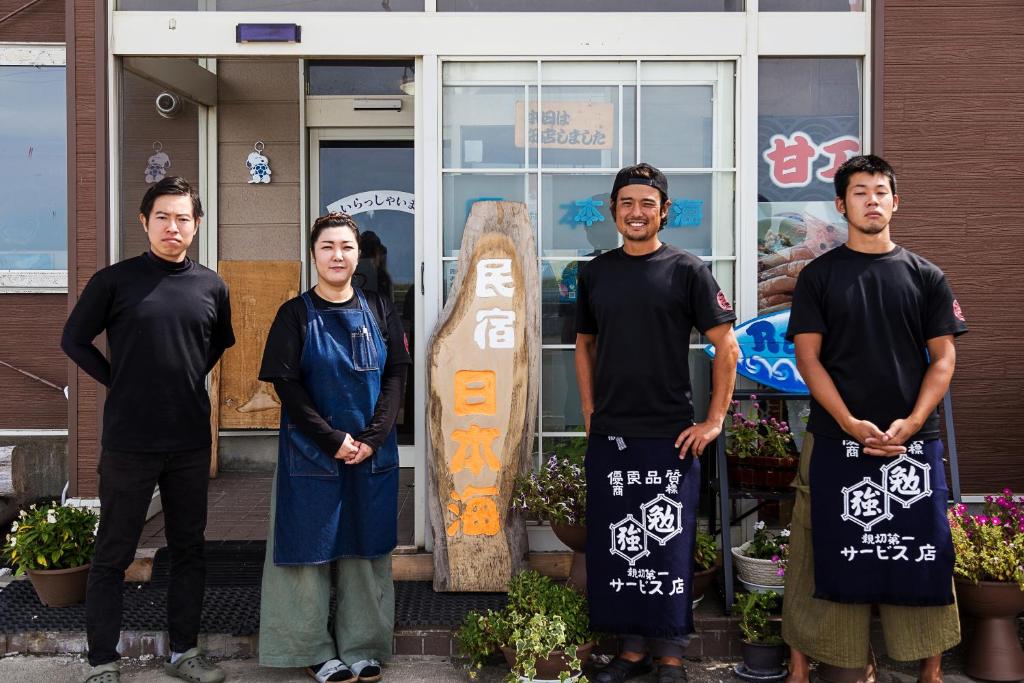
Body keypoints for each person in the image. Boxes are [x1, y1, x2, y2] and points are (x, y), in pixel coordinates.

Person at [783, 155, 967, 683]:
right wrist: (846, 420)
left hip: (912, 440)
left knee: (921, 548)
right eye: (859, 192)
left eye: (880, 191)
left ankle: (928, 669)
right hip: (836, 439)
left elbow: (944, 359)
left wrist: (911, 422)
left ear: (895, 202)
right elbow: (809, 359)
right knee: (818, 545)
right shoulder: (819, 276)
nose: (872, 200)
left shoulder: (927, 276)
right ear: (841, 205)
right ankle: (830, 663)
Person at [62, 177, 235, 683]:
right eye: (163, 217)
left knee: (189, 548)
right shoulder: (115, 281)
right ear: (144, 221)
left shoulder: (211, 285)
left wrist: (177, 378)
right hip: (129, 442)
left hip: (187, 439)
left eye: (183, 218)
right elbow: (74, 339)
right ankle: (102, 659)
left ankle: (185, 651)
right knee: (114, 549)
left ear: (197, 226)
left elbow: (216, 343)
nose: (173, 227)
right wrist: (119, 379)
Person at [575, 163, 739, 683]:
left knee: (667, 545)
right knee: (620, 544)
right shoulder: (596, 272)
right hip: (613, 435)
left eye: (648, 203)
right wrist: (589, 411)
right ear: (614, 211)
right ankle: (630, 651)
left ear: (664, 211)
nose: (637, 212)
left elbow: (726, 348)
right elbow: (584, 345)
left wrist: (714, 420)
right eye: (627, 203)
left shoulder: (688, 270)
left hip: (671, 435)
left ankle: (670, 653)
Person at [257, 212, 410, 683]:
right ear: (314, 254)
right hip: (311, 452)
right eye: (327, 247)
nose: (337, 255)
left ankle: (364, 645)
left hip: (371, 454)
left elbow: (396, 376)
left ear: (357, 254)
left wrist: (372, 438)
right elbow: (288, 386)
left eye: (345, 246)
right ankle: (310, 648)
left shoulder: (381, 309)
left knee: (366, 554)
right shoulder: (294, 314)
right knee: (307, 553)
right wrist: (333, 440)